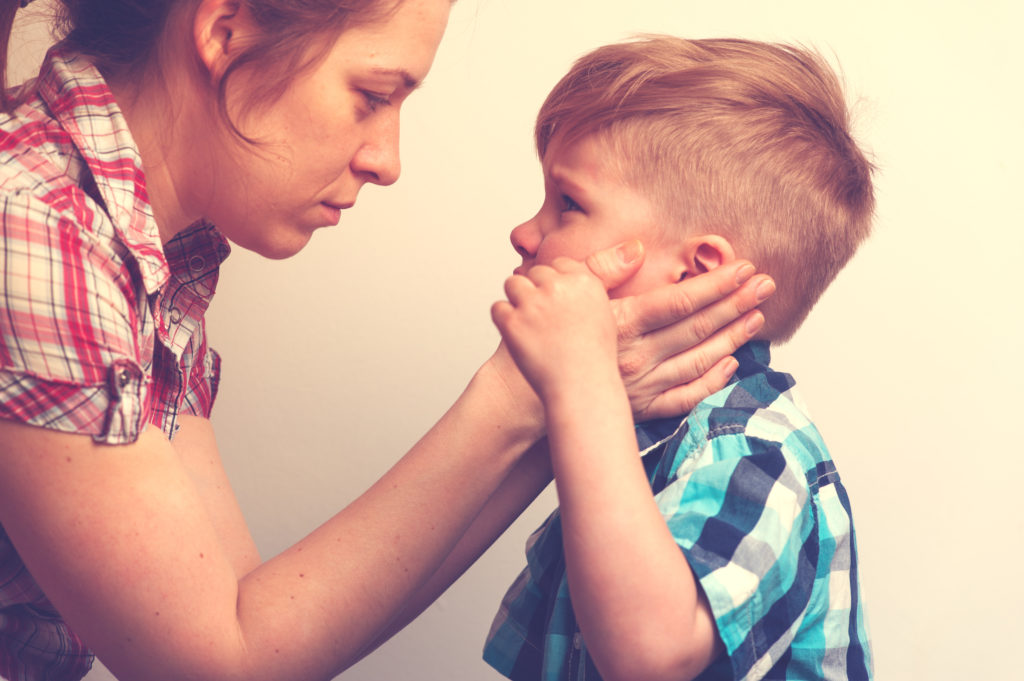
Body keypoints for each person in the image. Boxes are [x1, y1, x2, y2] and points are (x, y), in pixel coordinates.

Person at [0, 2, 774, 680]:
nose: (387, 160)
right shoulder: (36, 230)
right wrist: (515, 394)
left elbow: (245, 612)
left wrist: (566, 401)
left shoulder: (151, 249)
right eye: (373, 96)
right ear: (226, 31)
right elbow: (218, 660)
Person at [484, 36, 875, 681]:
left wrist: (582, 384)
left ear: (694, 272)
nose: (524, 233)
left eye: (569, 204)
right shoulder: (637, 437)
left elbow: (651, 654)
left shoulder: (755, 451)